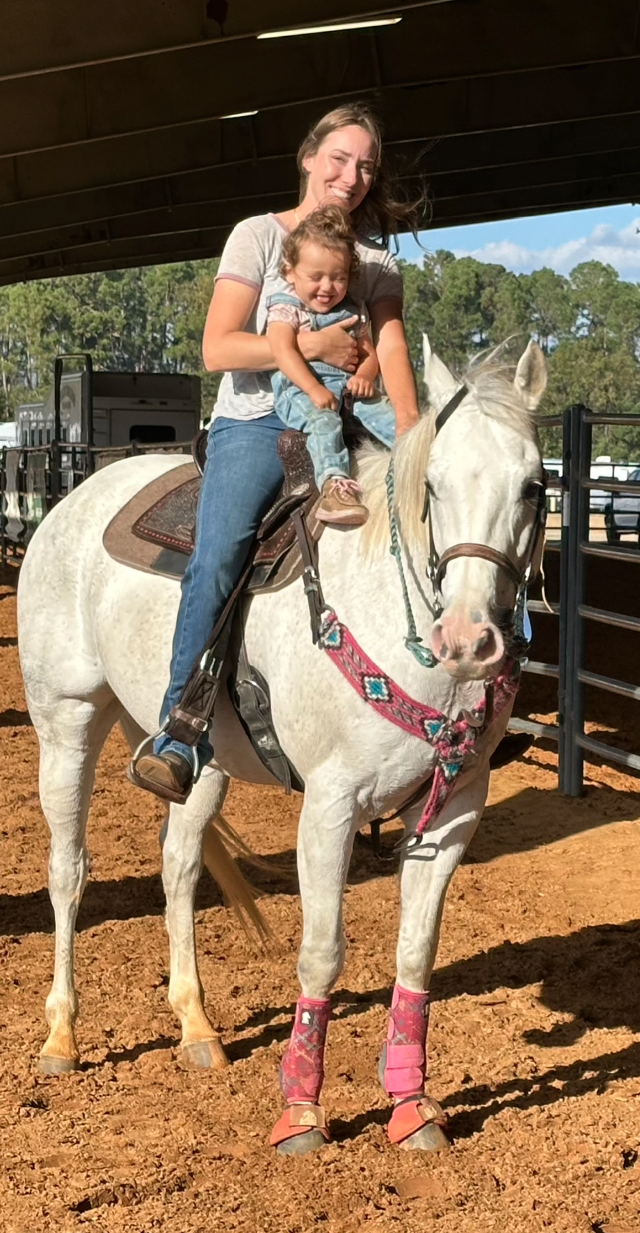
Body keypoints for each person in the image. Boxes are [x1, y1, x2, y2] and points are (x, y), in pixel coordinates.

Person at [130, 102, 425, 804]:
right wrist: (311, 346)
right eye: (340, 159)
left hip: (349, 416)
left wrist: (415, 435)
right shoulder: (259, 237)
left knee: (439, 519)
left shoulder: (377, 263)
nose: (351, 177)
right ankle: (182, 729)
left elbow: (390, 349)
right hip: (257, 422)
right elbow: (218, 347)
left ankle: (461, 703)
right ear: (308, 157)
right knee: (220, 551)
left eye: (366, 167)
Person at [266, 204, 398, 526]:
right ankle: (334, 485)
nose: (327, 287)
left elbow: (369, 352)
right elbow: (282, 351)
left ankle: (419, 459)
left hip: (348, 389)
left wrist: (365, 375)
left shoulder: (353, 309)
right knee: (325, 423)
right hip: (300, 389)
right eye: (316, 277)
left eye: (338, 278)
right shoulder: (287, 308)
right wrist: (313, 388)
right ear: (290, 272)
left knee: (387, 414)